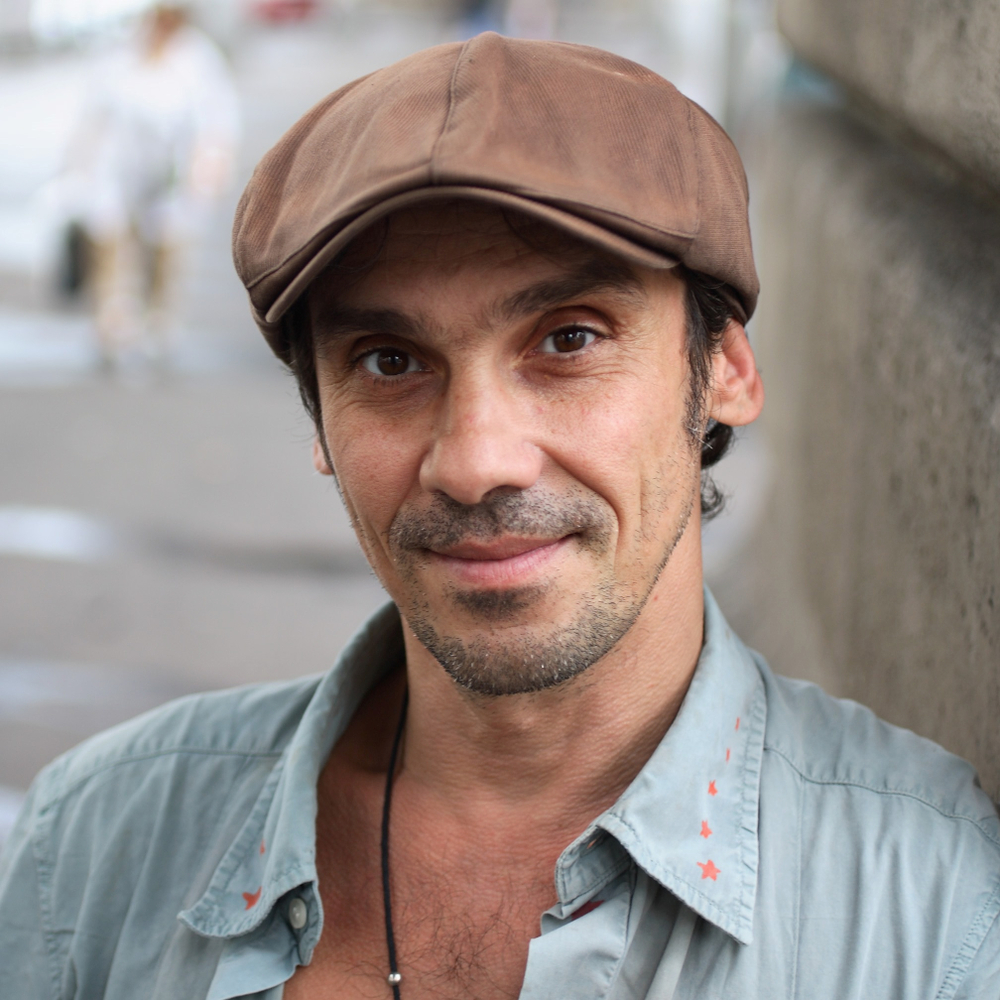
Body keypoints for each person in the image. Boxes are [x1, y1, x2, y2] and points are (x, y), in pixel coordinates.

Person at [2, 33, 999, 1000]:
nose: (477, 462)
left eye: (568, 339)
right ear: (319, 420)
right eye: (389, 361)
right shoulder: (88, 856)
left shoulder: (930, 914)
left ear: (725, 369)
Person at [58, 3, 239, 369]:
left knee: (166, 251)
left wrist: (212, 164)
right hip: (115, 172)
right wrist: (77, 167)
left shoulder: (198, 58)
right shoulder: (117, 55)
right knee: (109, 251)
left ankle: (159, 327)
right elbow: (92, 115)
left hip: (173, 174)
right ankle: (112, 329)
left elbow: (218, 118)